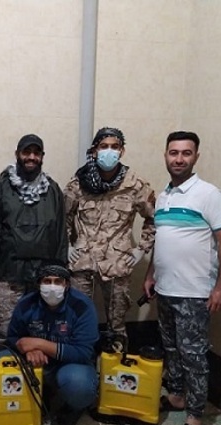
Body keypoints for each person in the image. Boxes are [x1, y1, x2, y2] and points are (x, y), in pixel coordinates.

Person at [143, 131, 221, 425]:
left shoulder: (209, 195)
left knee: (193, 355)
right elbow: (162, 240)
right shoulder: (164, 197)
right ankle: (177, 396)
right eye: (174, 152)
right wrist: (150, 274)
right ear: (165, 155)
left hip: (195, 293)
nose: (179, 159)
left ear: (196, 156)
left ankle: (195, 417)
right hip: (166, 290)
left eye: (186, 153)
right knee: (171, 348)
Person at [64, 127, 155, 346]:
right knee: (76, 317)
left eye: (115, 147)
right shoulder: (79, 182)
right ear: (95, 150)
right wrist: (66, 245)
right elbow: (63, 216)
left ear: (122, 151)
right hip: (83, 261)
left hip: (117, 262)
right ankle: (80, 358)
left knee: (117, 321)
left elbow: (153, 218)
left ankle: (115, 360)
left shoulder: (135, 185)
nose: (109, 151)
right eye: (104, 146)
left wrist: (142, 248)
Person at [0, 134, 68, 343]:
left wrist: (60, 272)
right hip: (9, 274)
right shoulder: (1, 188)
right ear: (17, 154)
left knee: (42, 329)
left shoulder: (52, 190)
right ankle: (7, 362)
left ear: (42, 157)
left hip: (45, 276)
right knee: (6, 330)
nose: (31, 157)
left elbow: (60, 233)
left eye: (36, 153)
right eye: (26, 152)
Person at [7, 264, 99, 425]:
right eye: (47, 281)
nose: (52, 286)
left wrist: (39, 344)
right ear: (38, 284)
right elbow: (13, 338)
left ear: (67, 284)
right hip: (35, 362)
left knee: (80, 385)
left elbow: (83, 352)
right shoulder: (26, 304)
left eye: (58, 282)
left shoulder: (82, 306)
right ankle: (42, 395)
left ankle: (73, 407)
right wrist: (29, 349)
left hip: (69, 364)